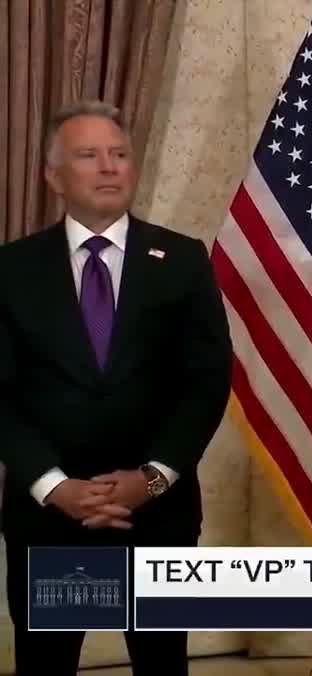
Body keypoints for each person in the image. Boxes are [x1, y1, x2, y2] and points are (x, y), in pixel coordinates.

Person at [0, 101, 233, 675]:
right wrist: (56, 487)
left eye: (119, 154)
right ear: (53, 176)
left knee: (161, 664)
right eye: (89, 155)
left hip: (156, 516)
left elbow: (206, 383)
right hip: (51, 520)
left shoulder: (182, 259)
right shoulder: (11, 270)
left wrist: (152, 479)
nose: (109, 167)